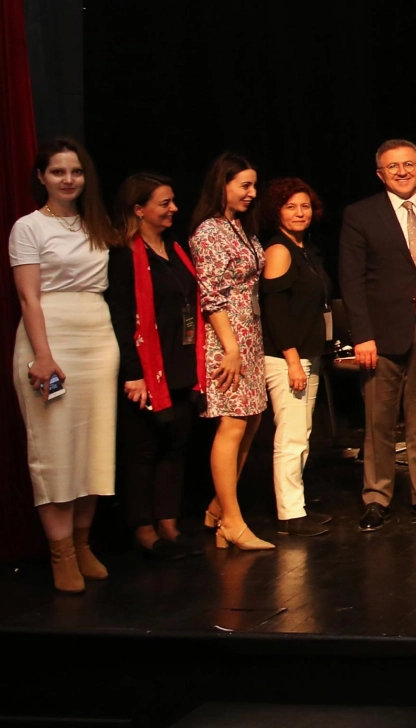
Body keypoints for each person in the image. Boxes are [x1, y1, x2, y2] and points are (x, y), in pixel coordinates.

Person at [14, 139, 123, 592]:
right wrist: (42, 355)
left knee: (93, 448)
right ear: (41, 177)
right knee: (56, 449)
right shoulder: (29, 226)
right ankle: (60, 554)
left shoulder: (96, 223)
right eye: (57, 171)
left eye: (75, 171)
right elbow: (28, 298)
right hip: (51, 337)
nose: (68, 179)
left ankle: (82, 544)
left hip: (98, 336)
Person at [338, 139, 416, 531]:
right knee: (378, 422)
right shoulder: (360, 214)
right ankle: (376, 497)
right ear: (380, 174)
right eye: (393, 166)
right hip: (380, 335)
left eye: (408, 164)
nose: (402, 172)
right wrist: (362, 335)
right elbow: (351, 280)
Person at [105, 172, 200, 562]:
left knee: (175, 446)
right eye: (164, 203)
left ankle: (168, 523)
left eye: (173, 200)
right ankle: (142, 528)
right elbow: (121, 318)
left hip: (180, 364)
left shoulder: (175, 249)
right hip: (146, 370)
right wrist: (134, 373)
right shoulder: (123, 255)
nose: (174, 208)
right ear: (139, 209)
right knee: (142, 449)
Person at [190, 152, 274, 551]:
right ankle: (232, 521)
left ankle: (217, 508)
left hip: (249, 334)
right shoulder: (209, 232)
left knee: (252, 420)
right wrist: (231, 348)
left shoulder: (240, 227)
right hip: (227, 339)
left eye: (254, 185)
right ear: (222, 185)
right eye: (244, 185)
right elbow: (212, 297)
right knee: (233, 423)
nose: (252, 192)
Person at [258, 178, 333, 538]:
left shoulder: (305, 249)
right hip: (287, 358)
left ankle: (296, 506)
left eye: (305, 206)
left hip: (307, 355)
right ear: (277, 212)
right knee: (290, 437)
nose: (299, 213)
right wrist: (291, 359)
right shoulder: (279, 250)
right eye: (290, 207)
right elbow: (275, 311)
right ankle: (289, 514)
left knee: (301, 434)